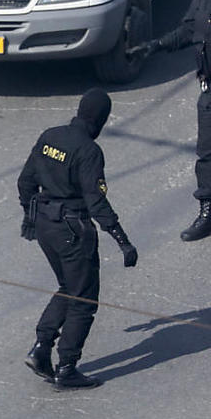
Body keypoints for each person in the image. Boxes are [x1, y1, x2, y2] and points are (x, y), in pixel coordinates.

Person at [17, 89, 138, 391]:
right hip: (73, 230)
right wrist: (122, 240)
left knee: (69, 287)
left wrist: (31, 216)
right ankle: (67, 367)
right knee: (84, 300)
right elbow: (96, 203)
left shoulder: (50, 136)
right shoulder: (88, 151)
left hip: (45, 224)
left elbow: (25, 182)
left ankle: (41, 347)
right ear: (101, 119)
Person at [129, 0, 211, 241]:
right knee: (207, 154)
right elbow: (188, 30)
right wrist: (155, 46)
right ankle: (207, 211)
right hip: (209, 93)